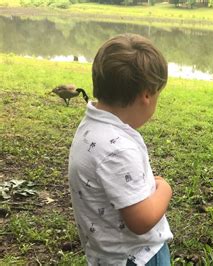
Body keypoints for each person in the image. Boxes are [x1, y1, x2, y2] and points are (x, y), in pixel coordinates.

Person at [68, 33, 173, 266]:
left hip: (105, 256)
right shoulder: (118, 150)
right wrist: (164, 188)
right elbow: (141, 221)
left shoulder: (91, 126)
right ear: (146, 95)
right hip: (139, 257)